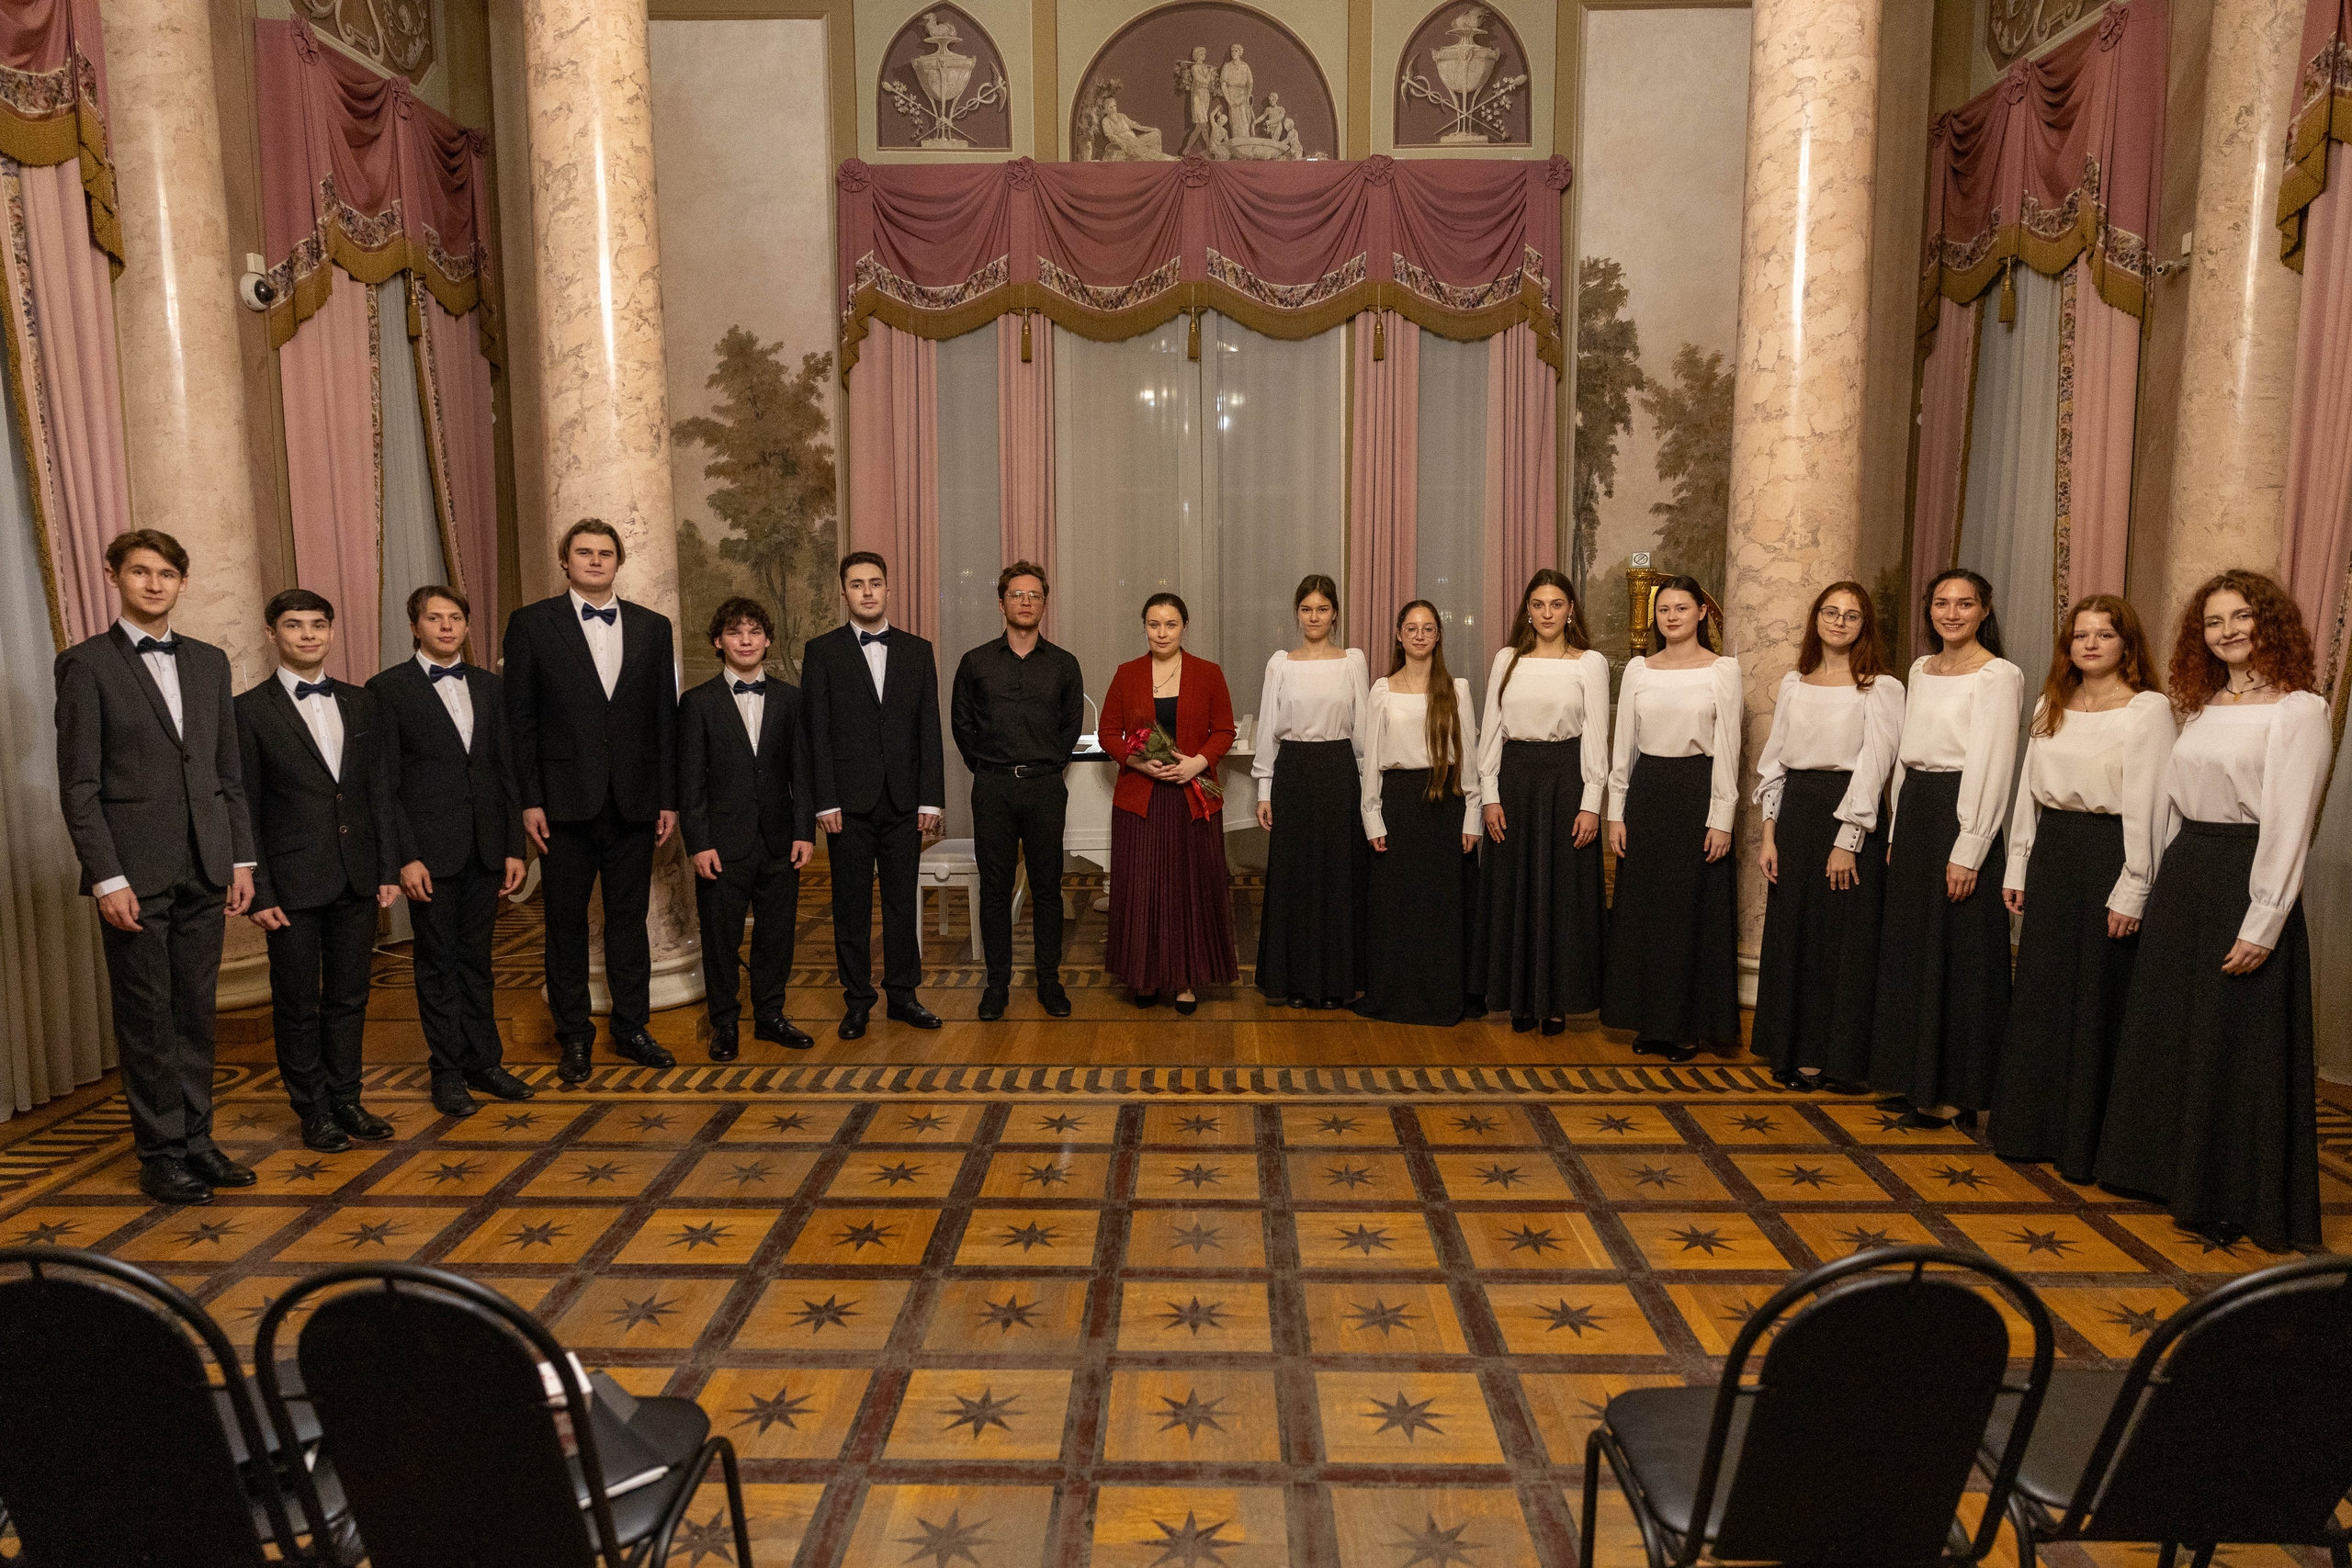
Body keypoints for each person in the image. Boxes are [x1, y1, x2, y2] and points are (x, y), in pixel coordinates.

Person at [2096, 571, 2329, 1252]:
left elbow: (2290, 824)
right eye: (2213, 621)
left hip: (2244, 877)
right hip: (2188, 872)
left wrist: (2264, 920)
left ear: (2269, 623)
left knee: (2234, 1038)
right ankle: (2166, 1174)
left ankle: (2228, 1193)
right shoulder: (2199, 707)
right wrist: (2151, 887)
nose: (2227, 632)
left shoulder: (2299, 710)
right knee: (2177, 1027)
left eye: (2241, 617)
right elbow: (2174, 803)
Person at [53, 530, 258, 1205]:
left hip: (206, 864)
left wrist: (240, 858)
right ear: (113, 575)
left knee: (196, 1012)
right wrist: (106, 877)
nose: (153, 584)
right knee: (147, 1019)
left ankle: (198, 1140)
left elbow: (227, 771)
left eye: (166, 573)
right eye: (140, 571)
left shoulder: (209, 661)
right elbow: (79, 787)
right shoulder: (85, 665)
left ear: (182, 582)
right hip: (133, 875)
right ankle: (162, 1154)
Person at [1989, 596, 2172, 1179]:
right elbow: (2028, 792)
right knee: (2042, 990)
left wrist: (2135, 886)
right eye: (2080, 635)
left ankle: (2086, 1145)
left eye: (2104, 634)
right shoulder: (2051, 703)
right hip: (2054, 854)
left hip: (2111, 853)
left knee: (2098, 994)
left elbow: (2151, 805)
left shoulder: (2148, 710)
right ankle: (2030, 1129)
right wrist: (2017, 865)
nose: (2090, 644)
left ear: (2127, 644)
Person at [503, 517, 680, 1083]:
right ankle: (574, 1036)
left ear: (618, 561)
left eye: (605, 553)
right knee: (565, 924)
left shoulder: (653, 627)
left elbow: (664, 718)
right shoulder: (531, 624)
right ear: (566, 561)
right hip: (562, 805)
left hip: (635, 800)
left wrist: (668, 797)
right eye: (585, 552)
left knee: (630, 921)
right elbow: (520, 721)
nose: (596, 560)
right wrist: (529, 800)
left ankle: (632, 1028)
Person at [234, 590, 401, 1153]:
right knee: (298, 1003)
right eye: (294, 625)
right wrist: (260, 890)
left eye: (318, 625)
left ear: (331, 632)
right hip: (290, 884)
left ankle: (348, 1098)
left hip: (357, 874)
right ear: (272, 634)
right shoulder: (248, 710)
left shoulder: (361, 702)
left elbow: (378, 791)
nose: (308, 634)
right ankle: (313, 1109)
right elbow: (245, 806)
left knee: (351, 997)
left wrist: (386, 867)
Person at [368, 584, 533, 1119]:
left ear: (466, 625)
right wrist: (405, 856)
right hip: (428, 855)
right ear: (414, 626)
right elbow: (384, 784)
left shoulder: (489, 686)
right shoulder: (387, 689)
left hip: (486, 847)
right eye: (435, 618)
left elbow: (506, 770)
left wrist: (514, 848)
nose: (446, 626)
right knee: (437, 965)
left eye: (456, 617)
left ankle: (486, 1063)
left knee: (478, 962)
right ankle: (447, 1072)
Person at [1870, 569, 2025, 1129]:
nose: (1951, 614)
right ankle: (1917, 1080)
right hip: (1916, 813)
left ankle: (1959, 1094)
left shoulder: (1999, 674)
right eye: (1941, 603)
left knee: (1962, 957)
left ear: (1984, 610)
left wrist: (1971, 847)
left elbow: (1994, 763)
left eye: (1964, 604)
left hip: (1962, 815)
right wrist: (1894, 831)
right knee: (1913, 949)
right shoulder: (1920, 668)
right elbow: (1905, 758)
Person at [1751, 581, 1903, 1091]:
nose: (1839, 622)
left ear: (1865, 625)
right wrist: (1769, 835)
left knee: (1843, 940)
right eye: (1830, 612)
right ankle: (1791, 1048)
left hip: (1849, 815)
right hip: (1796, 814)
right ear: (1816, 618)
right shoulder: (1794, 683)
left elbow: (1875, 767)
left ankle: (1838, 1059)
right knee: (1794, 934)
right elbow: (1774, 764)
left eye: (1851, 615)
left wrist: (1847, 839)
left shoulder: (1881, 687)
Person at [801, 551, 945, 1039]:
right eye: (857, 584)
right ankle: (858, 1000)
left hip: (904, 802)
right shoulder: (822, 651)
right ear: (843, 592)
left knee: (903, 903)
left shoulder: (917, 650)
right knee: (851, 906)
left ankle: (903, 996)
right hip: (847, 804)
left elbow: (929, 728)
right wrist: (824, 800)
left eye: (875, 583)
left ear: (888, 589)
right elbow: (816, 732)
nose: (867, 591)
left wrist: (930, 798)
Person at [1602, 578, 1743, 1061]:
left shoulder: (1721, 670)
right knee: (1645, 912)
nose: (1672, 617)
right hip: (1648, 794)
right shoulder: (1639, 669)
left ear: (1702, 612)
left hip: (1697, 793)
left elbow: (1729, 747)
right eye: (1664, 609)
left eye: (1682, 608)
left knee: (1689, 913)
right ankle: (1651, 1021)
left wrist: (1722, 817)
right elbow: (1623, 744)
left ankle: (1686, 1026)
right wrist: (1616, 812)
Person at [681, 596, 816, 1061]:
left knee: (777, 935)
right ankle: (724, 1023)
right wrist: (698, 843)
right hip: (721, 843)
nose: (745, 640)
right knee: (721, 938)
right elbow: (690, 782)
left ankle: (770, 1016)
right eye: (735, 632)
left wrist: (804, 831)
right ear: (719, 642)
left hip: (781, 839)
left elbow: (802, 772)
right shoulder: (697, 703)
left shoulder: (790, 699)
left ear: (768, 641)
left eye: (754, 632)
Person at [1477, 569, 1611, 1033]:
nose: (1547, 613)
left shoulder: (1589, 663)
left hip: (1566, 782)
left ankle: (1556, 1001)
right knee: (1512, 888)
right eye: (1538, 605)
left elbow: (1596, 734)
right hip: (1514, 782)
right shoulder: (1507, 660)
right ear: (1527, 611)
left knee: (1563, 891)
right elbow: (1491, 728)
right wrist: (1489, 794)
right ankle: (1517, 998)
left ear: (1570, 609)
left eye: (1556, 604)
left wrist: (1591, 802)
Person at [951, 561, 1084, 1022]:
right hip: (993, 788)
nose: (1026, 602)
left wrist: (1046, 765)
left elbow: (1070, 728)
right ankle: (996, 985)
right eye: (1017, 595)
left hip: (1046, 787)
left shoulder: (1064, 664)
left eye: (1034, 595)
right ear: (1001, 603)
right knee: (995, 890)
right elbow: (962, 726)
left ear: (1044, 604)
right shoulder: (975, 663)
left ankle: (1049, 981)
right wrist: (989, 769)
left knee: (1048, 889)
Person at [1100, 592, 1238, 1012]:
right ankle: (1144, 978)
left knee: (1188, 892)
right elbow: (1108, 733)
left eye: (1171, 624)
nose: (1162, 633)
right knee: (1142, 889)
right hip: (1140, 800)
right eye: (1154, 624)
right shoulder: (1126, 674)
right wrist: (1138, 763)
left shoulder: (1208, 673)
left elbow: (1224, 730)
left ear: (1185, 627)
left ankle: (1185, 981)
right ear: (1144, 627)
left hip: (1192, 799)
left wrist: (1198, 762)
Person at [1357, 600, 1481, 1026]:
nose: (1419, 635)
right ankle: (1394, 996)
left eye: (1428, 628)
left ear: (1438, 635)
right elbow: (1371, 759)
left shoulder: (1457, 689)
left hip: (1445, 804)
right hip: (1398, 805)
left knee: (1441, 908)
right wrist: (1372, 817)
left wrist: (1472, 816)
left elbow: (1469, 757)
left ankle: (1442, 997)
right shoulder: (1382, 690)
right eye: (1411, 628)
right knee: (1396, 906)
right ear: (1398, 635)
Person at [1251, 574, 1370, 1010]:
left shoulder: (1352, 662)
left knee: (1338, 875)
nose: (1314, 617)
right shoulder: (1280, 664)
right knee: (1294, 877)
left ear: (1335, 614)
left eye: (1322, 609)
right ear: (1297, 614)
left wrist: (1369, 793)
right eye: (1306, 609)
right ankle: (1295, 981)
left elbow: (1364, 731)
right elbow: (1269, 728)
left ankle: (1336, 982)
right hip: (1293, 773)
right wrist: (1264, 789)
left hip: (1339, 772)